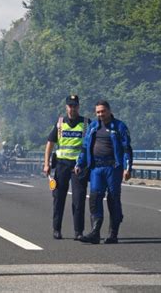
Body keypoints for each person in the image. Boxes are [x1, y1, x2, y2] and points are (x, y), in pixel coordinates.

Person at [75, 100, 133, 244]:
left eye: (103, 111)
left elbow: (127, 149)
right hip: (96, 168)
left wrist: (128, 168)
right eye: (98, 112)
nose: (100, 114)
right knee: (95, 198)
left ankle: (113, 234)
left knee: (113, 199)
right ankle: (95, 233)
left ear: (109, 110)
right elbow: (85, 146)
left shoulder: (119, 126)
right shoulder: (93, 126)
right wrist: (79, 163)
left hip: (113, 168)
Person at [43, 95, 90, 240]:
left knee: (79, 199)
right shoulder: (60, 123)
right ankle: (56, 229)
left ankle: (78, 232)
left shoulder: (87, 123)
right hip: (62, 164)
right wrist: (46, 164)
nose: (72, 108)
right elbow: (50, 144)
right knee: (58, 198)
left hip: (78, 166)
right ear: (66, 107)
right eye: (70, 106)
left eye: (75, 105)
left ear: (78, 107)